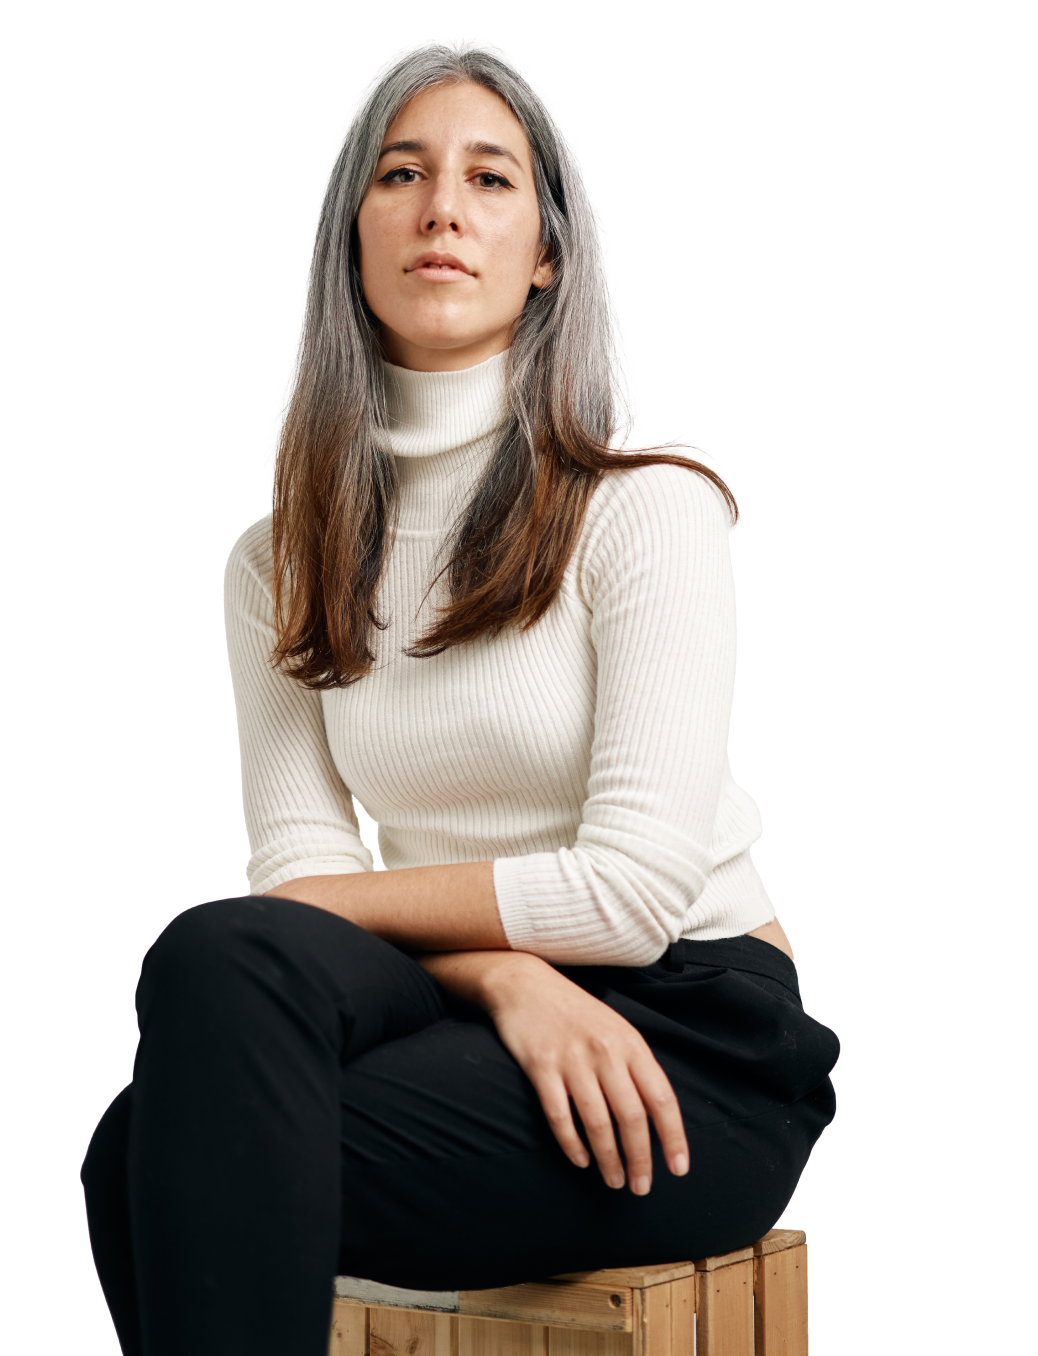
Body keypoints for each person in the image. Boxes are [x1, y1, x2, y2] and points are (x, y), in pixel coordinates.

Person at [80, 35, 840, 1356]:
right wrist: (501, 975)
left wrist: (402, 936)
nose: (442, 205)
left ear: (547, 249)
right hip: (452, 997)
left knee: (149, 1155)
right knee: (218, 962)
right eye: (401, 173)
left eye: (490, 179)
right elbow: (301, 873)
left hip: (683, 1044)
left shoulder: (640, 507)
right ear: (349, 238)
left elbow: (633, 887)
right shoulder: (277, 559)